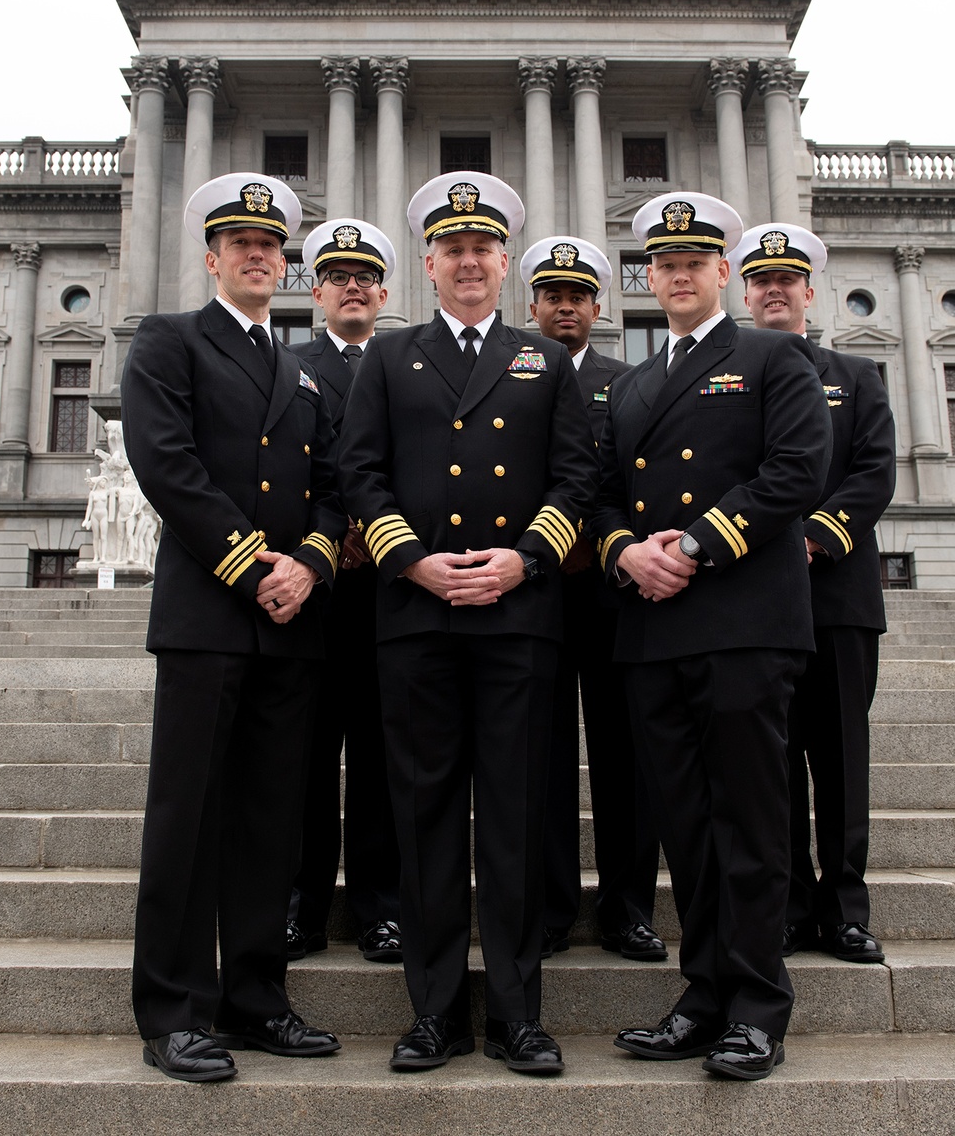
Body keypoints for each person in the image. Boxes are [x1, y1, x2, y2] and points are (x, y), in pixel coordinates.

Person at [337, 173, 598, 1077]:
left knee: (519, 820)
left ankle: (519, 1016)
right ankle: (435, 1012)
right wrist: (410, 557)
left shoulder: (545, 360)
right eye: (453, 249)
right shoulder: (387, 356)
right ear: (430, 262)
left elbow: (577, 480)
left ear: (504, 261)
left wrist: (524, 558)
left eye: (484, 248)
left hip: (519, 617)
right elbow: (358, 474)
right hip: (415, 615)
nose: (470, 261)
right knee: (426, 818)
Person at [592, 191, 831, 1081]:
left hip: (741, 622)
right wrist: (626, 552)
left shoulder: (771, 356)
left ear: (721, 273)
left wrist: (693, 545)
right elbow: (605, 493)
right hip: (654, 630)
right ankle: (702, 994)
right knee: (686, 825)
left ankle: (758, 1008)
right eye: (665, 265)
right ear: (648, 278)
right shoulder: (633, 382)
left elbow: (796, 471)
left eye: (696, 263)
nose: (680, 276)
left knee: (751, 818)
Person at [121, 173, 345, 1083]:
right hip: (210, 614)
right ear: (212, 257)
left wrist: (315, 562)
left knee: (269, 823)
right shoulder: (169, 341)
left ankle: (256, 997)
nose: (259, 256)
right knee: (190, 816)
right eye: (240, 243)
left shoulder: (299, 369)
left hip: (289, 623)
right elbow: (166, 465)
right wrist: (257, 564)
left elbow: (332, 487)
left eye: (272, 246)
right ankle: (174, 1010)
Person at [728, 222, 896, 964]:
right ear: (746, 291)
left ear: (808, 290)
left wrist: (815, 536)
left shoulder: (854, 378)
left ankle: (846, 907)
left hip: (836, 598)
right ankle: (792, 903)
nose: (773, 290)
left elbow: (872, 474)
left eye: (785, 280)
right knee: (772, 760)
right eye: (761, 281)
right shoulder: (732, 379)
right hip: (758, 601)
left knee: (839, 756)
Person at [518, 236, 664, 962]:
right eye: (553, 295)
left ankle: (627, 907)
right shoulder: (510, 376)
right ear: (533, 306)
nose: (566, 306)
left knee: (624, 755)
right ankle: (548, 906)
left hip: (611, 592)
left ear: (597, 307)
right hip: (535, 593)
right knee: (539, 756)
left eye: (578, 296)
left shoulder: (631, 383)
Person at [286, 218, 402, 964]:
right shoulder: (283, 365)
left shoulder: (407, 363)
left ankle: (381, 907)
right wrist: (328, 543)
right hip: (315, 592)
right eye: (339, 277)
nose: (353, 287)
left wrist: (388, 539)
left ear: (383, 292)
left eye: (365, 277)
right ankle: (300, 905)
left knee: (383, 757)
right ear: (317, 291)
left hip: (393, 591)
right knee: (303, 756)